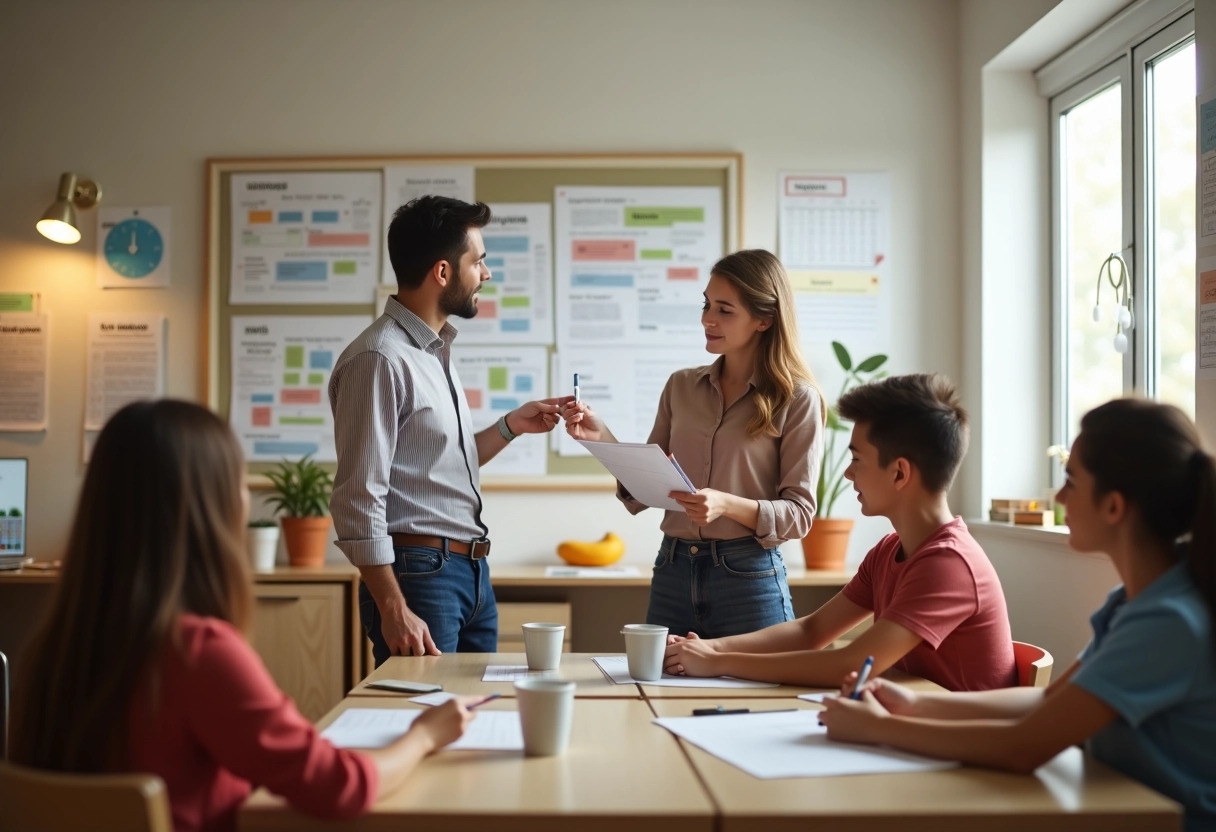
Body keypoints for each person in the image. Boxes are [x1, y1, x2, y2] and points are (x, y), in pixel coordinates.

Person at [10, 400, 476, 832]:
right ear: (210, 507)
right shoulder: (198, 652)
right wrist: (423, 737)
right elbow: (339, 786)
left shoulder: (54, 647)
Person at [819, 398, 1216, 830]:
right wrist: (915, 704)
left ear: (1114, 507)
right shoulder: (1133, 601)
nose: (1061, 497)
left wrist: (880, 729)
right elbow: (1048, 700)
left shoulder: (1167, 622)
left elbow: (1022, 748)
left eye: (1070, 481)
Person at [330, 196, 570, 664]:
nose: (487, 274)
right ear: (442, 272)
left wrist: (510, 426)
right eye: (477, 262)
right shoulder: (379, 359)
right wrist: (393, 607)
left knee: (472, 719)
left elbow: (439, 466)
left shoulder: (430, 352)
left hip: (469, 571)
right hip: (419, 577)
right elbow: (358, 497)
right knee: (427, 717)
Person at [664, 373, 1017, 691]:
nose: (848, 474)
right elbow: (811, 631)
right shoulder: (891, 550)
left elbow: (852, 665)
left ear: (899, 473)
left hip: (959, 749)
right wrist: (711, 647)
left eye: (857, 460)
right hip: (909, 727)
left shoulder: (948, 564)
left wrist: (718, 662)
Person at [562, 249, 824, 637]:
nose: (707, 319)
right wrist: (602, 436)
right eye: (706, 305)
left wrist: (725, 504)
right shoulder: (680, 386)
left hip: (748, 576)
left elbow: (799, 515)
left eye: (724, 310)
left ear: (764, 320)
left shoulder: (798, 399)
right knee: (659, 692)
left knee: (756, 696)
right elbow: (647, 485)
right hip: (673, 569)